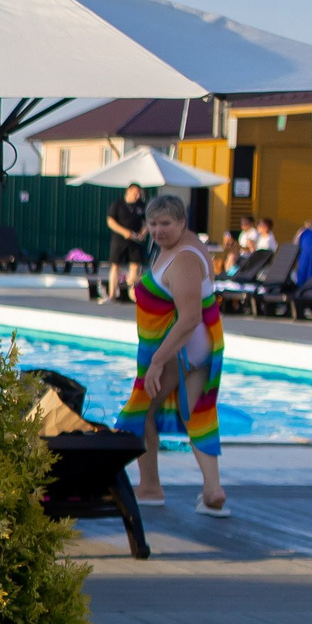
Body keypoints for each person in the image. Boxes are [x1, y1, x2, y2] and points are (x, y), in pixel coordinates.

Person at [117, 190, 227, 517]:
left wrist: (157, 361)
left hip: (182, 349)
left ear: (182, 222)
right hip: (197, 347)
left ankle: (150, 487)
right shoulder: (182, 244)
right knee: (197, 414)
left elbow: (190, 316)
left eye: (166, 223)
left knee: (139, 412)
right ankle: (213, 491)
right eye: (152, 223)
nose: (158, 230)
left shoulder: (184, 259)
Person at [104, 183, 146, 301]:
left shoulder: (141, 206)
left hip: (135, 241)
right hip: (119, 240)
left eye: (139, 194)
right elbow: (110, 221)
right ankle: (112, 294)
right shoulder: (118, 204)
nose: (137, 196)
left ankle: (131, 292)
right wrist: (124, 232)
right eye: (135, 193)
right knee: (115, 266)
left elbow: (146, 222)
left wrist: (143, 233)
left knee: (135, 266)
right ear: (128, 192)